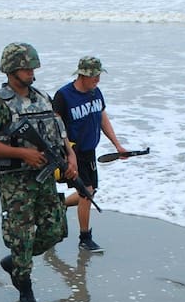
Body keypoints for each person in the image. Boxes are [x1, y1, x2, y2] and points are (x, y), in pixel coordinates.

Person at [0, 42, 77, 302]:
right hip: (15, 181)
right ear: (11, 70)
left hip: (44, 177)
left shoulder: (42, 97)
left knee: (56, 230)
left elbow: (59, 132)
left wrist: (71, 156)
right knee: (20, 237)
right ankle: (25, 290)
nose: (31, 72)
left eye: (33, 67)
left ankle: (16, 262)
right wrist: (22, 153)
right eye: (25, 67)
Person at [53, 55, 128, 252]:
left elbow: (103, 118)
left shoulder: (96, 93)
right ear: (82, 75)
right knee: (87, 193)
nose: (97, 79)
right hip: (72, 151)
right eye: (93, 75)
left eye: (98, 75)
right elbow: (55, 127)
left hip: (89, 151)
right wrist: (66, 155)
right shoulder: (64, 96)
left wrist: (117, 146)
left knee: (90, 191)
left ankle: (59, 203)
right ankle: (85, 238)